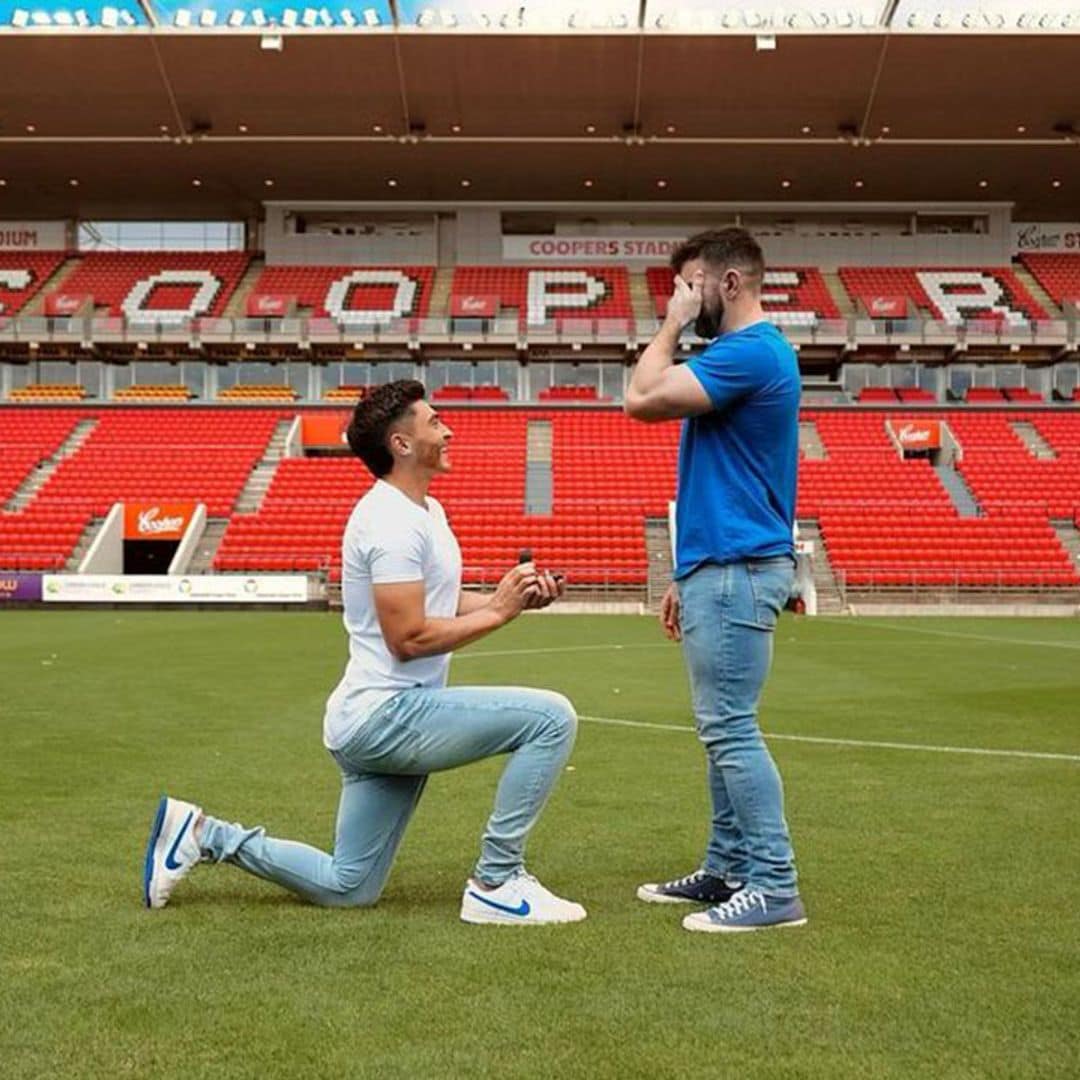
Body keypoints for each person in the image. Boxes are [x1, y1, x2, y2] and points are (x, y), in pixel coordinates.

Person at [144, 380, 585, 926]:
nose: (447, 429)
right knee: (550, 718)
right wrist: (497, 613)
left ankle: (204, 835)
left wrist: (511, 599)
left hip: (374, 720)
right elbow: (410, 639)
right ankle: (497, 881)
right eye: (433, 422)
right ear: (401, 444)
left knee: (348, 887)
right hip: (386, 716)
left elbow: (440, 603)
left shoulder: (425, 512)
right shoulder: (389, 521)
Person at [625, 228, 806, 933]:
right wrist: (684, 571)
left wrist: (669, 324)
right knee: (720, 727)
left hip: (737, 566)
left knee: (729, 727)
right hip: (718, 563)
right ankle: (729, 866)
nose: (682, 298)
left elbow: (638, 399)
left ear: (729, 284)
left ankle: (774, 885)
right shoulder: (744, 354)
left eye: (691, 284)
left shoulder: (749, 352)